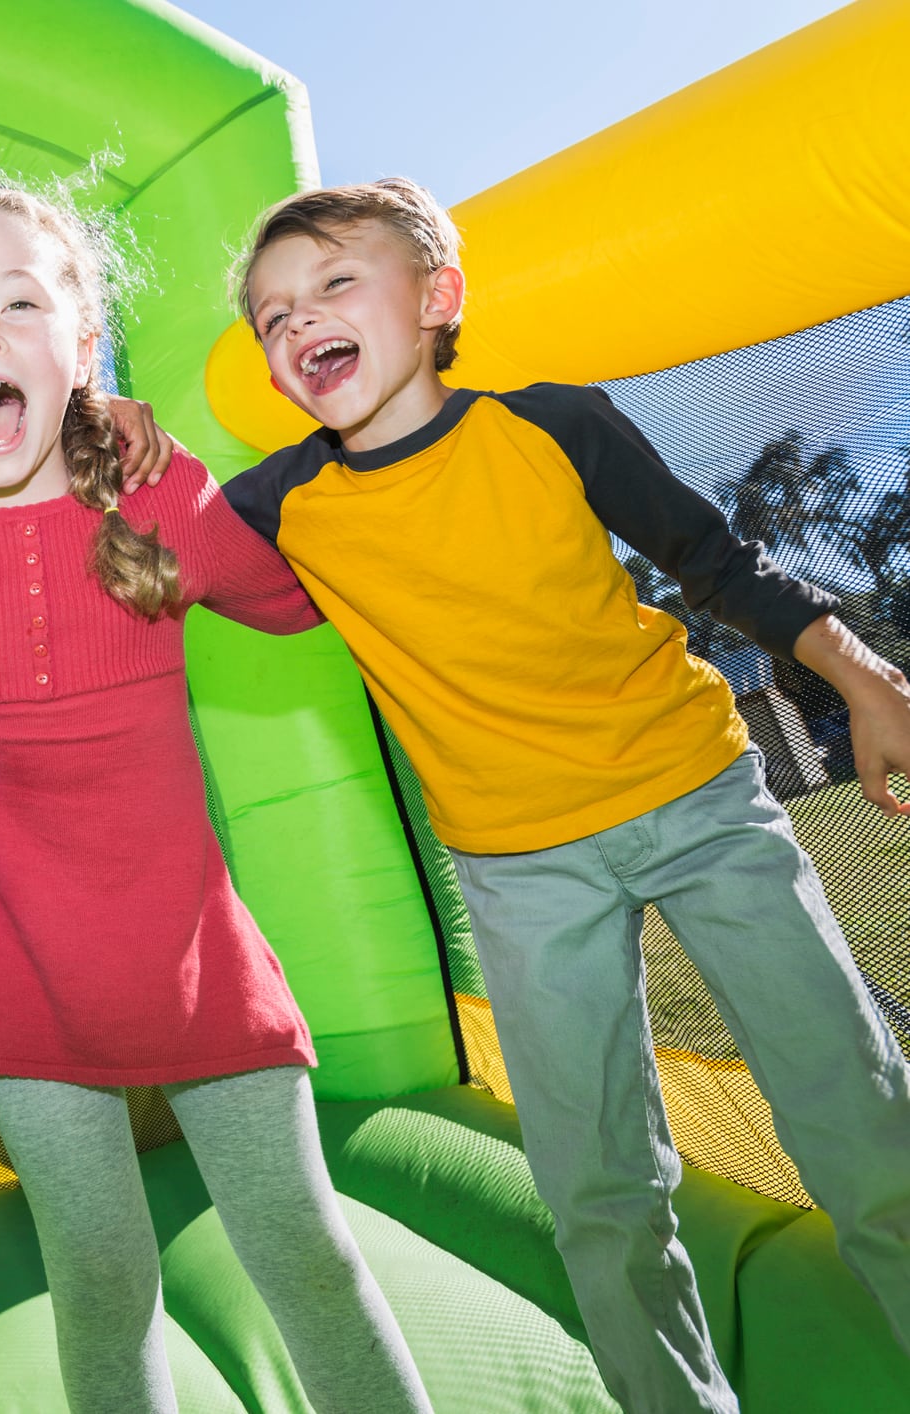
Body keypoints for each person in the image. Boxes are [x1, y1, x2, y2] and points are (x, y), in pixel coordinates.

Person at [227, 176, 910, 1412]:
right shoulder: (280, 507)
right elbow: (131, 557)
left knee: (855, 1116)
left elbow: (716, 561)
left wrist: (864, 679)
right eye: (272, 317)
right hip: (517, 862)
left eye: (333, 283)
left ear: (436, 299)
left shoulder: (550, 426)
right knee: (597, 1189)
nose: (298, 321)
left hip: (694, 799)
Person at [0, 178, 431, 1414]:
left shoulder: (160, 495)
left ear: (81, 345)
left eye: (17, 304)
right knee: (99, 1277)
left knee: (307, 1250)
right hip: (16, 971)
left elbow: (306, 590)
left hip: (193, 955)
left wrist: (233, 462)